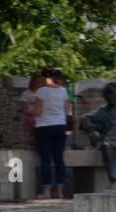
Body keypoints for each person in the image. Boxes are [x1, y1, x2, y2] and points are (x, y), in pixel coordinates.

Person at [33, 68, 72, 199]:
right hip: (60, 127)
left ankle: (47, 192)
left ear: (46, 78)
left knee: (46, 160)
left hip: (44, 127)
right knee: (59, 160)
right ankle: (60, 191)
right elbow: (66, 112)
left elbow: (37, 112)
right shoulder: (64, 91)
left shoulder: (41, 92)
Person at [20, 73, 42, 150]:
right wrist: (34, 112)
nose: (39, 84)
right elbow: (24, 110)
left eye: (40, 82)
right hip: (31, 115)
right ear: (33, 82)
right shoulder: (26, 94)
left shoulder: (43, 93)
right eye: (38, 82)